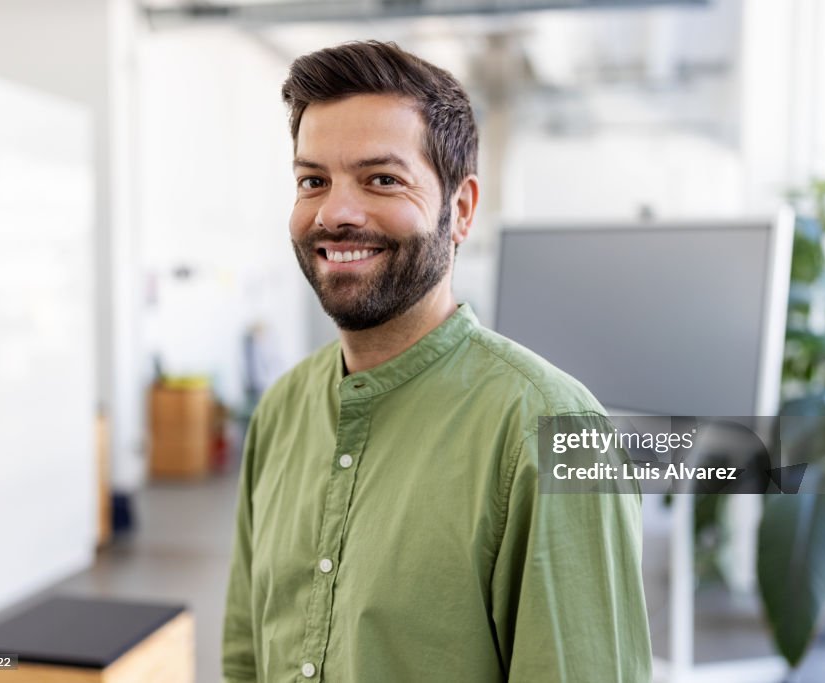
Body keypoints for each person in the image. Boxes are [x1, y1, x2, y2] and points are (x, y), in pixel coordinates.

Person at [221, 40, 652, 683]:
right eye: (314, 181)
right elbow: (245, 659)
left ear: (463, 209)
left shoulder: (551, 429)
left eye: (382, 180)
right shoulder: (281, 408)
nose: (336, 212)